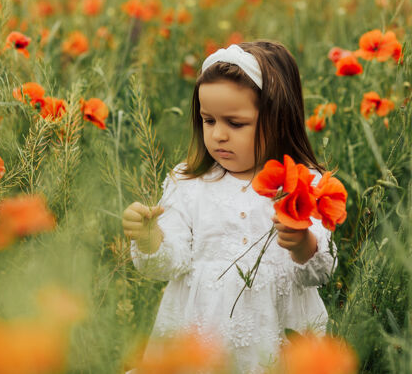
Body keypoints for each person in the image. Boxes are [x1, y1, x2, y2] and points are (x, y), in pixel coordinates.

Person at [122, 40, 336, 373]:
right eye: (209, 121)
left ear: (277, 120)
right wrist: (151, 238)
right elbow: (168, 262)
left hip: (275, 334)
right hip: (200, 338)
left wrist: (303, 244)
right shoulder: (189, 182)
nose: (218, 135)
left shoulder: (301, 183)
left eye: (235, 124)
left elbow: (320, 272)